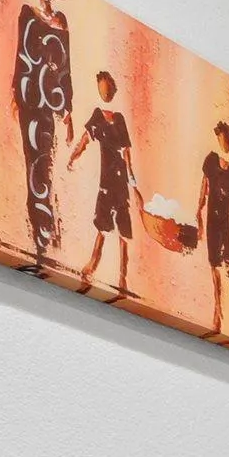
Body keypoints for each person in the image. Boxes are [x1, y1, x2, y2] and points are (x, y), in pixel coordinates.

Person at [13, 0, 72, 276]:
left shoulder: (61, 22)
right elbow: (22, 56)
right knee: (32, 158)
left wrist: (69, 109)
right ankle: (38, 227)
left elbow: (65, 68)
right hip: (30, 97)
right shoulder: (28, 14)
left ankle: (48, 224)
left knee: (46, 161)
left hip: (51, 102)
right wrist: (14, 91)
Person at [68, 70, 136, 299]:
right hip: (106, 180)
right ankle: (93, 264)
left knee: (123, 232)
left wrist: (132, 180)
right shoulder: (97, 116)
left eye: (106, 86)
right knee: (102, 226)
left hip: (120, 181)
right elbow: (85, 139)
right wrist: (73, 157)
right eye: (100, 86)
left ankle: (123, 277)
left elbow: (127, 152)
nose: (103, 90)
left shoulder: (120, 120)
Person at [199, 121, 229, 335]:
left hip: (226, 227)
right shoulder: (210, 162)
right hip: (212, 223)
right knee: (214, 268)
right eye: (219, 139)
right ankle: (218, 312)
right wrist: (198, 211)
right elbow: (204, 187)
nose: (222, 142)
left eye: (225, 139)